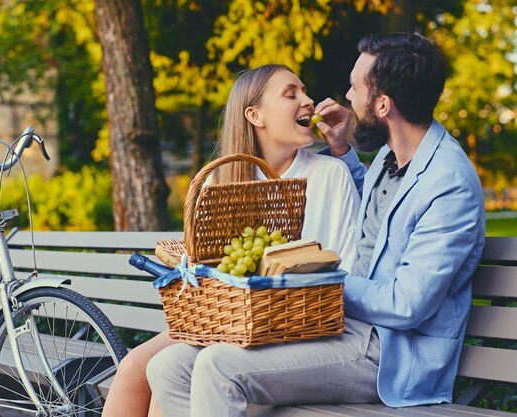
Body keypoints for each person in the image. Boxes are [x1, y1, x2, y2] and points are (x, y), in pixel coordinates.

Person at [146, 32, 485, 416]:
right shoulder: (396, 156)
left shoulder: (449, 182)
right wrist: (341, 149)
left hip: (391, 354)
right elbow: (383, 214)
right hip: (344, 331)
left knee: (218, 366)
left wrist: (310, 283)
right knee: (167, 367)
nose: (348, 98)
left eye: (356, 89)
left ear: (384, 104)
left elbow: (407, 305)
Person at [101, 64, 361, 417]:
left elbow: (339, 269)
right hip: (224, 321)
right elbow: (206, 274)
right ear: (255, 115)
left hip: (289, 325)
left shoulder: (330, 175)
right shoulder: (221, 182)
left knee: (167, 373)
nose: (308, 100)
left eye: (304, 91)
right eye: (291, 94)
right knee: (137, 366)